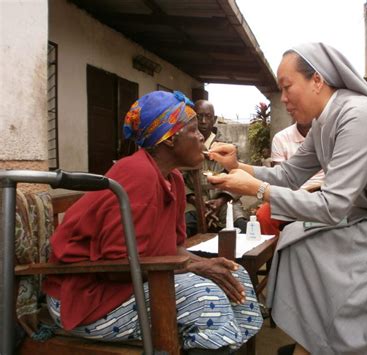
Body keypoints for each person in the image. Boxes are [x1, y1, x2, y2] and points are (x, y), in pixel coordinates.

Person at [206, 43, 367, 355]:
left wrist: (256, 190)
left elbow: (333, 206)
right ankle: (315, 338)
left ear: (317, 80)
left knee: (318, 250)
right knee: (296, 237)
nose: (284, 99)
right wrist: (237, 167)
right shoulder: (324, 121)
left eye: (288, 87)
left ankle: (337, 342)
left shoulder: (358, 117)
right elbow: (290, 174)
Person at [42, 91, 262, 354]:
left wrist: (202, 264)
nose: (202, 136)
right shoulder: (137, 174)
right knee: (206, 297)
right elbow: (117, 267)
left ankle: (225, 347)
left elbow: (173, 248)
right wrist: (197, 267)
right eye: (193, 130)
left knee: (236, 278)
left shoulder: (175, 180)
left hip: (129, 284)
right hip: (87, 300)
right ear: (170, 139)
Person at [182, 99, 248, 236]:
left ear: (215, 119)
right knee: (180, 230)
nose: (204, 121)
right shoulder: (184, 145)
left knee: (243, 228)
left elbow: (240, 176)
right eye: (199, 116)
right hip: (193, 205)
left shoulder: (229, 146)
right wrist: (197, 201)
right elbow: (178, 178)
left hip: (225, 202)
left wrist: (220, 201)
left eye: (208, 116)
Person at [257, 121, 325, 237]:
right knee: (264, 215)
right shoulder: (282, 137)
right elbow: (280, 178)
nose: (286, 102)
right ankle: (273, 253)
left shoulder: (329, 133)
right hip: (293, 194)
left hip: (323, 194)